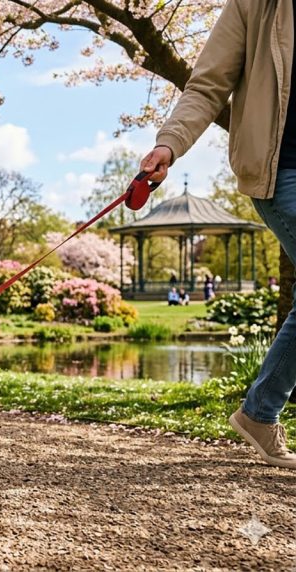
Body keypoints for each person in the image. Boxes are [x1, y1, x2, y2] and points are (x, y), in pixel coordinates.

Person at [140, 0, 296, 468]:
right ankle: (260, 412)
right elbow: (208, 84)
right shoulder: (257, 5)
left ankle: (259, 412)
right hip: (282, 171)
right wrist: (170, 143)